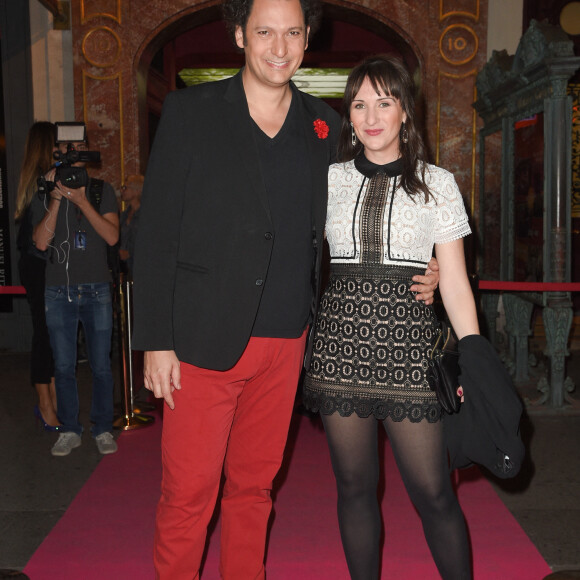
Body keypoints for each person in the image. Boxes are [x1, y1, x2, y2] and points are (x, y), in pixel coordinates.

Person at [131, 1, 438, 577]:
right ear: (240, 35)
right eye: (266, 31)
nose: (280, 46)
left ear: (306, 39)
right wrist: (155, 339)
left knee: (253, 490)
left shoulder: (324, 125)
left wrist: (433, 259)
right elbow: (156, 233)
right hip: (199, 341)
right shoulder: (190, 110)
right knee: (188, 495)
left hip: (287, 341)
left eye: (293, 32)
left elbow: (370, 198)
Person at [302, 55, 479, 580]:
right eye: (359, 104)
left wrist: (473, 359)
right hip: (339, 351)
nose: (372, 116)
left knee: (433, 492)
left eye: (384, 102)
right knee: (354, 487)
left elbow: (456, 283)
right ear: (348, 117)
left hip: (411, 354)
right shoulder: (327, 179)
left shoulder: (437, 182)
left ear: (405, 110)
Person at [31, 126, 120, 457]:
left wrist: (82, 200)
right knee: (64, 366)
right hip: (58, 291)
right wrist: (56, 201)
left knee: (100, 364)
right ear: (57, 151)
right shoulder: (46, 192)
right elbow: (40, 242)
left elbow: (112, 237)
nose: (72, 152)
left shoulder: (100, 190)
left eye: (78, 146)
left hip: (96, 288)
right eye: (66, 147)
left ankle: (102, 429)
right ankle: (69, 429)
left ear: (86, 152)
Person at [15, 121, 59, 430]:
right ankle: (45, 405)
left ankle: (52, 400)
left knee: (53, 335)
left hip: (48, 263)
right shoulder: (41, 182)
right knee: (44, 334)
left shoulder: (46, 178)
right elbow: (36, 236)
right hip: (37, 263)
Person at [119, 174, 144, 278]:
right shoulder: (124, 215)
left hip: (141, 266)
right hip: (125, 268)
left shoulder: (146, 215)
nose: (122, 191)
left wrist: (130, 252)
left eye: (125, 187)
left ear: (137, 190)